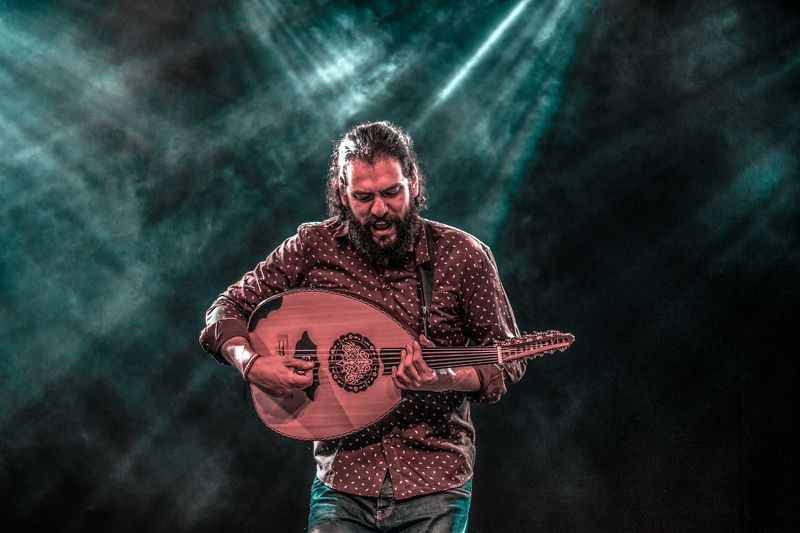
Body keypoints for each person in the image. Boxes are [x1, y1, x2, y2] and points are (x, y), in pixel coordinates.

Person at [199, 121, 526, 532]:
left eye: (392, 192)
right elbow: (225, 309)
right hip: (342, 482)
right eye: (363, 197)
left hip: (435, 481)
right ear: (342, 193)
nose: (379, 210)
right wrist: (251, 363)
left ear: (413, 183)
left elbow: (506, 359)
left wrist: (445, 378)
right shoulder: (312, 248)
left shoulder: (463, 255)